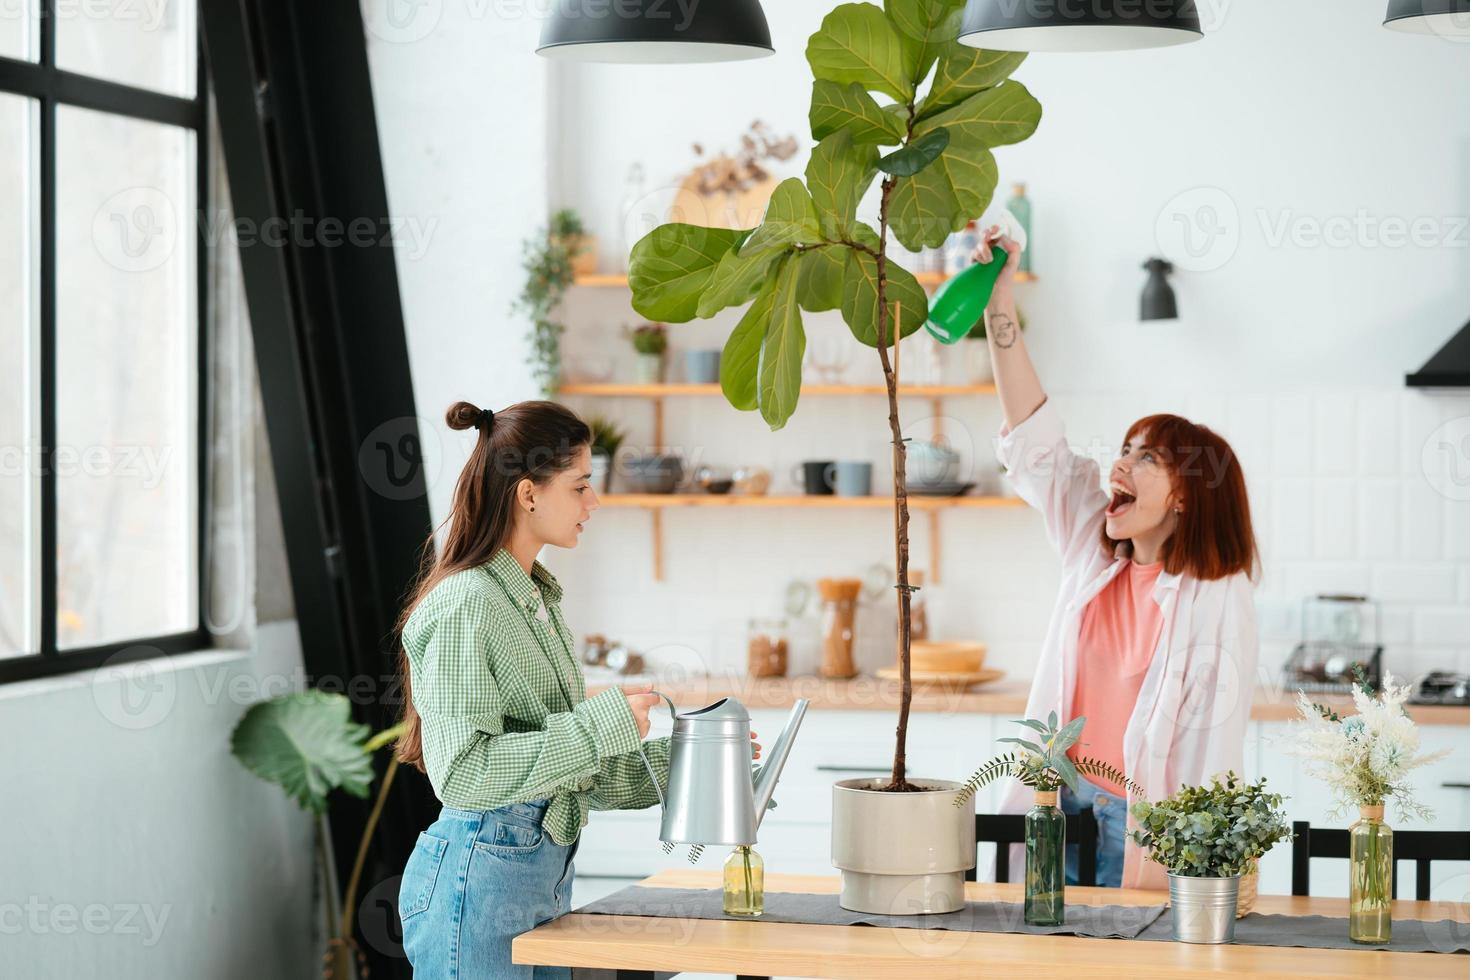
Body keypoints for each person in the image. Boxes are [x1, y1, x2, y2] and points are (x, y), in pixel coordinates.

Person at [391, 399, 760, 979]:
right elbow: (463, 773)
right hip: (476, 884)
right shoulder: (469, 605)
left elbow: (567, 770)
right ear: (528, 493)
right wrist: (603, 722)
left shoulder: (535, 600)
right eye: (580, 485)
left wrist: (695, 763)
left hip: (532, 878)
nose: (594, 502)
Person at [975, 229, 1260, 890]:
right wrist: (1000, 296)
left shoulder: (1216, 595)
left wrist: (1216, 864)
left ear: (1187, 497)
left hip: (1141, 822)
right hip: (1057, 803)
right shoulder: (1089, 542)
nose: (1120, 465)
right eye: (1125, 450)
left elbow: (1215, 744)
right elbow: (1033, 436)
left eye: (1145, 457)